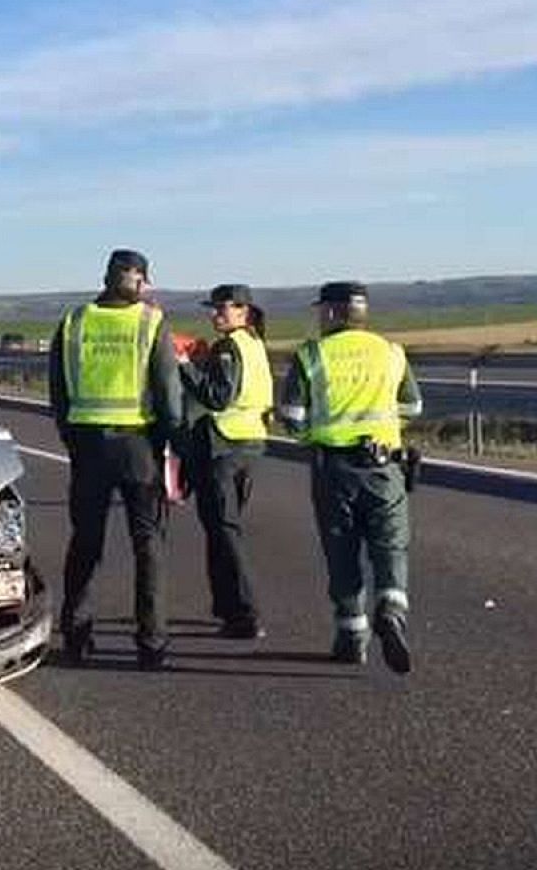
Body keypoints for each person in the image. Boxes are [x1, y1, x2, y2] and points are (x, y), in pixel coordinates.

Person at [49, 249, 184, 669]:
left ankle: (75, 633)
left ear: (105, 277)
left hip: (88, 444)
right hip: (138, 445)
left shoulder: (73, 321)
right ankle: (151, 641)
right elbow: (168, 390)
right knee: (148, 544)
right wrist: (171, 440)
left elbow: (57, 389)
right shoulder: (150, 321)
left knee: (86, 541)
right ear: (140, 281)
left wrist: (72, 436)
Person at [278, 281, 422, 673]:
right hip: (385, 466)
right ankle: (391, 609)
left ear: (330, 312)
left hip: (334, 469)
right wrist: (383, 428)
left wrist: (317, 436)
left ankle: (352, 638)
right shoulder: (391, 353)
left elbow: (291, 418)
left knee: (342, 553)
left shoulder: (312, 355)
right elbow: (412, 405)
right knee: (390, 545)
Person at [178, 284, 273, 639]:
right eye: (213, 308)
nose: (214, 314)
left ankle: (245, 613)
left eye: (222, 309)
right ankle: (228, 609)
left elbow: (218, 398)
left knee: (224, 532)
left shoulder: (229, 348)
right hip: (250, 444)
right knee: (222, 530)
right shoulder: (254, 343)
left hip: (224, 446)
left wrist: (186, 366)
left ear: (243, 311)